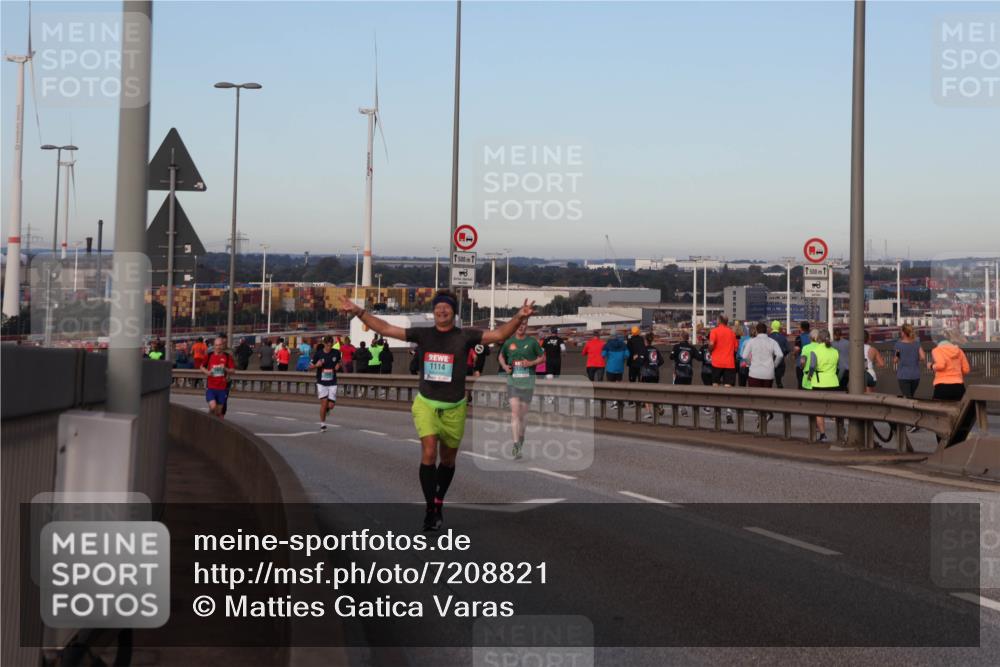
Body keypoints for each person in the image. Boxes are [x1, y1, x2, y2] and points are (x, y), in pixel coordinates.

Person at [339, 290, 536, 531]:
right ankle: (430, 507)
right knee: (429, 453)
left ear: (454, 312)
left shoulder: (465, 336)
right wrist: (359, 312)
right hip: (427, 404)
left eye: (447, 308)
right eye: (437, 308)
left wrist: (519, 317)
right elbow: (386, 329)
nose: (441, 311)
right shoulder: (423, 335)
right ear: (433, 312)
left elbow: (498, 334)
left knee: (449, 460)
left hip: (455, 406)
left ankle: (438, 501)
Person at [498, 320, 545, 459]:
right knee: (514, 413)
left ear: (526, 326)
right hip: (513, 382)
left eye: (524, 325)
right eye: (519, 325)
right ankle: (516, 443)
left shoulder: (532, 342)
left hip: (528, 383)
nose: (521, 327)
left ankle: (521, 438)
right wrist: (505, 367)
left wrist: (531, 363)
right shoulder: (509, 342)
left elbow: (543, 358)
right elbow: (501, 356)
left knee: (523, 416)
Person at [800, 329, 840, 442]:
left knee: (819, 410)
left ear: (819, 339)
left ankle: (823, 435)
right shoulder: (835, 351)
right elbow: (838, 367)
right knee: (834, 409)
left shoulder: (816, 351)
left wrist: (809, 377)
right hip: (833, 382)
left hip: (819, 382)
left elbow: (812, 366)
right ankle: (841, 430)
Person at [309, 335, 342, 431]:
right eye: (327, 345)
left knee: (331, 406)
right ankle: (322, 424)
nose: (329, 347)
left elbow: (339, 362)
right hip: (321, 382)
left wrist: (338, 365)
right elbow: (309, 367)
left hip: (332, 382)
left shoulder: (336, 353)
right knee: (323, 403)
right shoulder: (318, 354)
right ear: (324, 344)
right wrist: (316, 365)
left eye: (331, 345)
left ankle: (327, 409)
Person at [709, 315, 738, 423]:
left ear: (719, 321)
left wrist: (710, 350)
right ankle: (729, 412)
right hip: (729, 363)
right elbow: (735, 348)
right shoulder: (732, 333)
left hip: (717, 362)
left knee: (716, 387)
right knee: (728, 389)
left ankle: (716, 411)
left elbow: (711, 344)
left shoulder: (714, 331)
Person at [928, 333, 970, 402]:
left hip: (942, 387)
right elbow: (966, 370)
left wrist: (931, 366)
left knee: (938, 410)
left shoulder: (937, 350)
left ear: (938, 342)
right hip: (958, 386)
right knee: (960, 411)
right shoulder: (959, 351)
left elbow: (941, 365)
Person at [201, 336, 235, 418]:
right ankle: (209, 419)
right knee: (213, 407)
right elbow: (201, 366)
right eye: (216, 345)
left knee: (218, 412)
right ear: (214, 346)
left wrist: (225, 369)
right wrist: (208, 372)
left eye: (220, 345)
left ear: (223, 345)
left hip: (222, 388)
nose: (218, 347)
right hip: (211, 387)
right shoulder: (209, 356)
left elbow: (233, 370)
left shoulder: (227, 357)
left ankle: (211, 421)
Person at [670, 335, 700, 417]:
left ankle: (683, 409)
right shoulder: (692, 348)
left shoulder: (676, 347)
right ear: (688, 338)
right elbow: (699, 357)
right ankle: (684, 407)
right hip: (688, 373)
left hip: (679, 372)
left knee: (678, 391)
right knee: (686, 391)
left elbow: (671, 357)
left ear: (681, 338)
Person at [895, 324, 925, 400]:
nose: (900, 333)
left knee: (907, 399)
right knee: (911, 396)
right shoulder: (917, 344)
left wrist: (898, 357)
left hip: (903, 375)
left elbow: (896, 359)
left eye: (901, 331)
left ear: (904, 333)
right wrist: (914, 358)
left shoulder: (899, 344)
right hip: (915, 376)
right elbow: (923, 357)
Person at [639, 333, 665, 420]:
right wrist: (654, 365)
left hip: (646, 373)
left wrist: (637, 358)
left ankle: (648, 412)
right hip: (655, 373)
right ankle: (659, 407)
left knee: (646, 393)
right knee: (654, 392)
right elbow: (661, 361)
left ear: (645, 341)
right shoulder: (655, 349)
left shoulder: (644, 349)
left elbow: (641, 361)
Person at [768, 321, 790, 389]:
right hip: (780, 361)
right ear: (779, 327)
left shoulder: (768, 337)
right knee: (779, 380)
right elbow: (787, 349)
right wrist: (783, 355)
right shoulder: (783, 337)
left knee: (768, 381)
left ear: (771, 327)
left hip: (769, 361)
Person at [793, 321, 812, 390]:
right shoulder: (813, 337)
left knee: (800, 384)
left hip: (801, 364)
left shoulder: (799, 338)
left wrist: (794, 355)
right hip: (812, 364)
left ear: (801, 328)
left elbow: (797, 349)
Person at [736, 322, 752, 388]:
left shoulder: (742, 340)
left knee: (742, 386)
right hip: (753, 365)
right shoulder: (755, 339)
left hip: (743, 364)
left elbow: (739, 354)